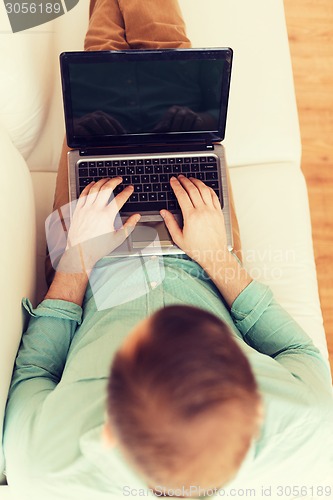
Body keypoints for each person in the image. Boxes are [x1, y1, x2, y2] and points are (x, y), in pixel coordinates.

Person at [4, 1, 333, 499]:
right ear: (257, 407)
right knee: (170, 74)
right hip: (207, 259)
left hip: (90, 266)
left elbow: (35, 372)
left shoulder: (41, 461)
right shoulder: (310, 425)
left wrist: (77, 260)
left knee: (99, 102)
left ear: (109, 432)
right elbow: (296, 351)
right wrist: (215, 255)